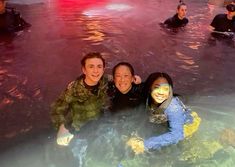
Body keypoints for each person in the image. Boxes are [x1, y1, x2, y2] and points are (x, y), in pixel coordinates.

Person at [126, 72, 201, 154]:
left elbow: (177, 135)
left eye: (165, 89)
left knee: (179, 149)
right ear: (150, 87)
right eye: (157, 87)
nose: (161, 92)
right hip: (163, 119)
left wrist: (146, 144)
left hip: (186, 125)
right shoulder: (146, 94)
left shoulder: (173, 107)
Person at [50, 52, 110, 146]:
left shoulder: (105, 80)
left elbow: (121, 79)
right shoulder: (73, 89)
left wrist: (134, 78)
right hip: (81, 128)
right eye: (91, 67)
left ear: (103, 69)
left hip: (100, 123)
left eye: (99, 66)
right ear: (84, 70)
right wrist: (61, 126)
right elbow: (57, 109)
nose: (96, 71)